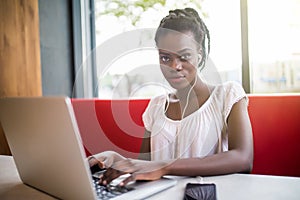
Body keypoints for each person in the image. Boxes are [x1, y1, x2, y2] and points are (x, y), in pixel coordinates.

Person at [88, 7, 253, 186]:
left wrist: (165, 167)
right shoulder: (156, 106)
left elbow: (243, 159)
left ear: (200, 55)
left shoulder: (227, 95)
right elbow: (144, 165)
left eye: (184, 56)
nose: (175, 66)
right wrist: (113, 159)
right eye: (165, 58)